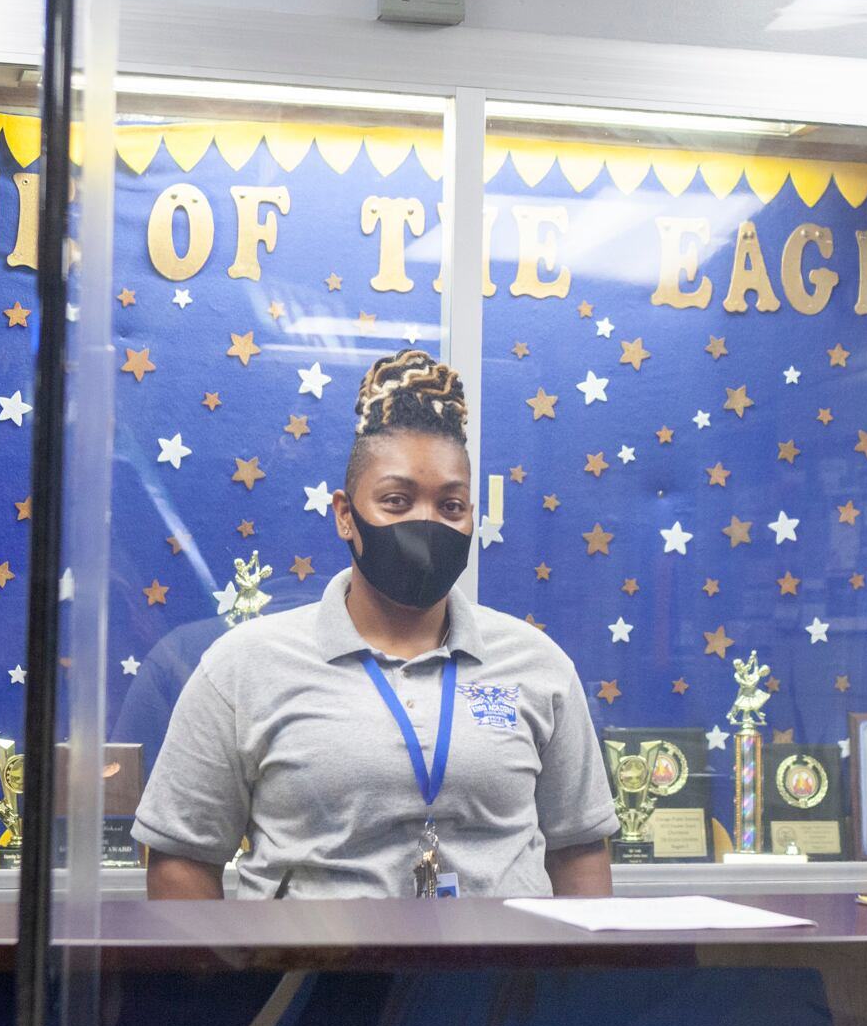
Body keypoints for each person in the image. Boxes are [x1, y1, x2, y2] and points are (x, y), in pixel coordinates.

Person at [134, 349, 617, 900]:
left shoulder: (538, 664)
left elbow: (579, 850)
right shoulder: (244, 666)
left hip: (499, 983)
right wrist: (232, 984)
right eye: (396, 500)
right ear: (345, 514)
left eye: (451, 506)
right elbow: (181, 860)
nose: (425, 524)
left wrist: (558, 982)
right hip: (312, 981)